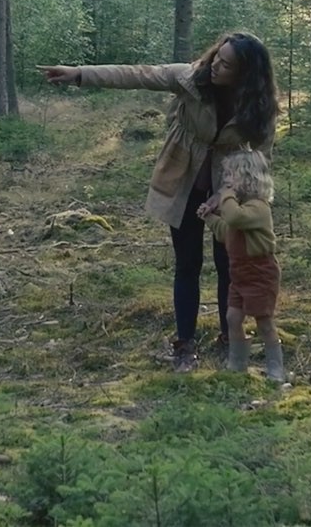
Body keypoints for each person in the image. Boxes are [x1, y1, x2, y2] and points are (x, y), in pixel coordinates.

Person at [41, 32, 280, 372]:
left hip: (228, 193)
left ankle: (230, 337)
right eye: (217, 57)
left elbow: (262, 157)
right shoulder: (189, 77)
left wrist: (228, 194)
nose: (216, 65)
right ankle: (185, 344)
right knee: (187, 264)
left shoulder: (260, 108)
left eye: (226, 64)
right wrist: (79, 73)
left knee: (230, 265)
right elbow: (137, 74)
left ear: (246, 74)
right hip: (182, 182)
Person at [200, 149, 285, 382]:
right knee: (233, 318)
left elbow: (235, 218)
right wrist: (209, 218)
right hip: (239, 273)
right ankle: (237, 365)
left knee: (264, 321)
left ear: (248, 178)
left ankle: (276, 368)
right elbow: (226, 231)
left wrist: (225, 196)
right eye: (225, 175)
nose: (225, 181)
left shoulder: (258, 207)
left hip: (260, 272)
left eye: (230, 176)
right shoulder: (239, 208)